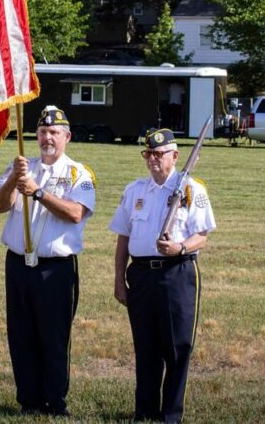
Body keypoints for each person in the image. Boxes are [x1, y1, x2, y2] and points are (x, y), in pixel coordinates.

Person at [0, 106, 96, 416]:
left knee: (53, 335)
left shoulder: (79, 173)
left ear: (67, 136)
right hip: (19, 264)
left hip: (56, 268)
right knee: (21, 335)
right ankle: (29, 400)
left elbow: (76, 213)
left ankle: (55, 401)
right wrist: (14, 178)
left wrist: (38, 193)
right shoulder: (24, 167)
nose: (47, 137)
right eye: (42, 132)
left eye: (54, 132)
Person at [110, 128, 216, 423]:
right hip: (142, 276)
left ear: (175, 156)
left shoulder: (191, 189)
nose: (153, 159)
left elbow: (202, 236)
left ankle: (170, 415)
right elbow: (122, 238)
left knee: (177, 348)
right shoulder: (135, 191)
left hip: (177, 274)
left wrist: (180, 247)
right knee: (145, 347)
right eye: (149, 154)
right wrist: (120, 279)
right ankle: (144, 411)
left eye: (159, 154)